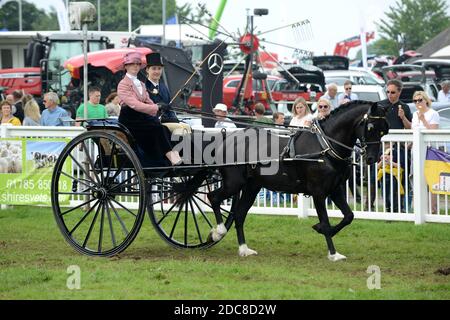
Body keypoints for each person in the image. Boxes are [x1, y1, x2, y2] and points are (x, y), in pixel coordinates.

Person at [117, 51, 182, 166]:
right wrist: (155, 107)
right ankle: (170, 157)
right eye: (132, 64)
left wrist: (160, 107)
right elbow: (134, 104)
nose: (135, 66)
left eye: (137, 64)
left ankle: (170, 156)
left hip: (141, 117)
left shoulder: (141, 84)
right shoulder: (123, 84)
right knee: (157, 129)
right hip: (130, 118)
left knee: (164, 129)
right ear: (126, 66)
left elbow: (148, 100)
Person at [144, 51, 190, 131]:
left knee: (187, 127)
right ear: (147, 70)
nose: (157, 72)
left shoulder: (163, 87)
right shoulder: (144, 86)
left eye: (159, 69)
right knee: (179, 129)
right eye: (154, 68)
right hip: (153, 121)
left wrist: (174, 119)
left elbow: (169, 107)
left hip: (167, 119)